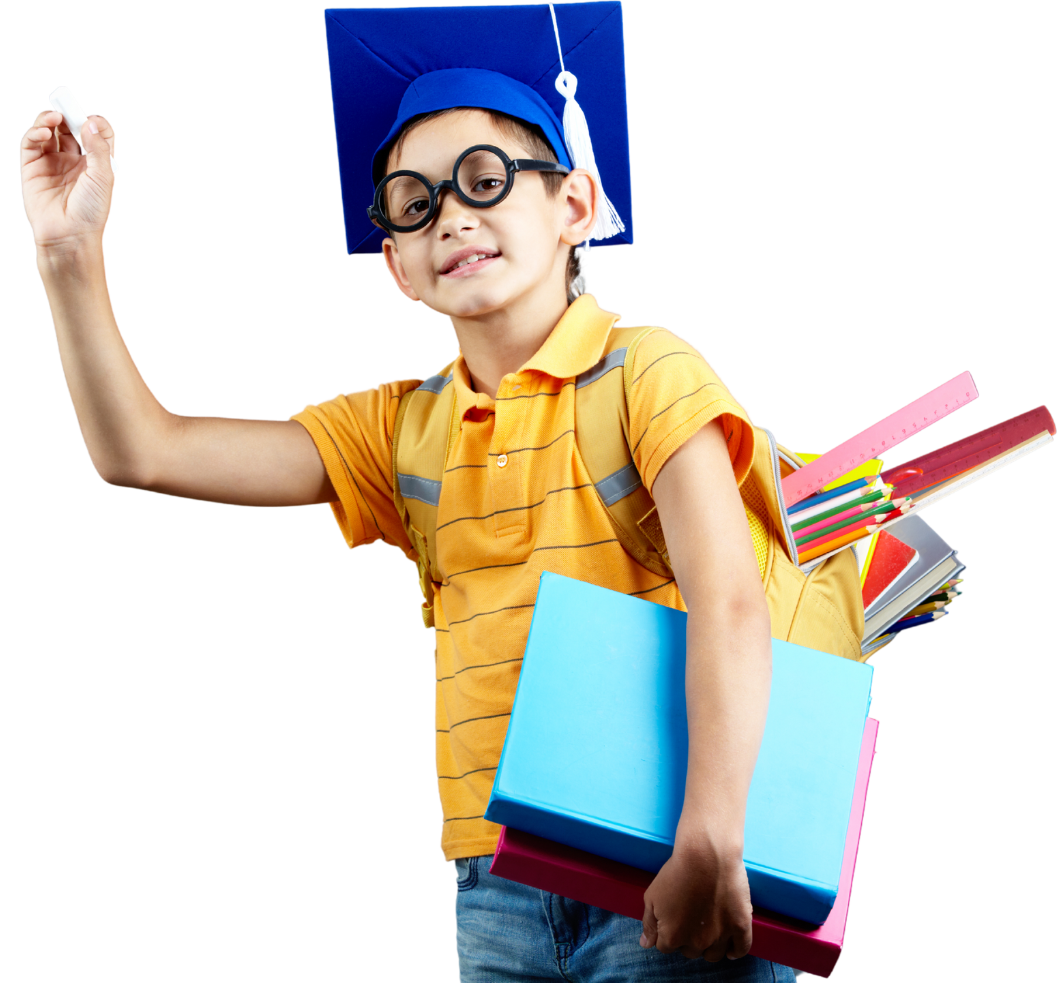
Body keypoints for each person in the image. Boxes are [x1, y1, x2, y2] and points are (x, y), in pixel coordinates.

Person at [19, 4, 805, 979]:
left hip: (663, 852)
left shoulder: (645, 368)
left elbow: (729, 601)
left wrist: (711, 835)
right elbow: (140, 450)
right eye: (413, 201)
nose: (453, 216)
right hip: (494, 886)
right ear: (395, 261)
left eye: (484, 179)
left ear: (573, 205)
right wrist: (67, 251)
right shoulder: (399, 425)